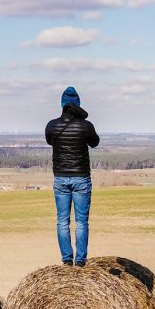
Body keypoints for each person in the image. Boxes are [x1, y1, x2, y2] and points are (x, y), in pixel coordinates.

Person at [45, 86, 100, 266]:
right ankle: (81, 260)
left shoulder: (52, 125)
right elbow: (95, 142)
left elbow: (50, 140)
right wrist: (83, 118)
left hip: (60, 178)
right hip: (81, 178)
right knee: (81, 221)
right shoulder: (86, 126)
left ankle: (66, 259)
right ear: (77, 104)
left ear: (61, 104)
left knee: (62, 221)